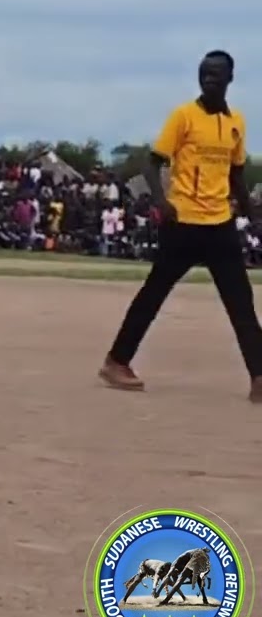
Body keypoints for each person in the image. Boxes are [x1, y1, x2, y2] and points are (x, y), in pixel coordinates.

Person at [99, 50, 262, 402]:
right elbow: (152, 162)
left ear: (230, 78)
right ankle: (117, 361)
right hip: (183, 221)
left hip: (220, 222)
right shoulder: (184, 116)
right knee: (154, 294)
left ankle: (259, 377)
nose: (209, 79)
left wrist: (251, 211)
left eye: (216, 74)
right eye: (204, 73)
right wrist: (161, 200)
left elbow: (235, 172)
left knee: (241, 303)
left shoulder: (236, 122)